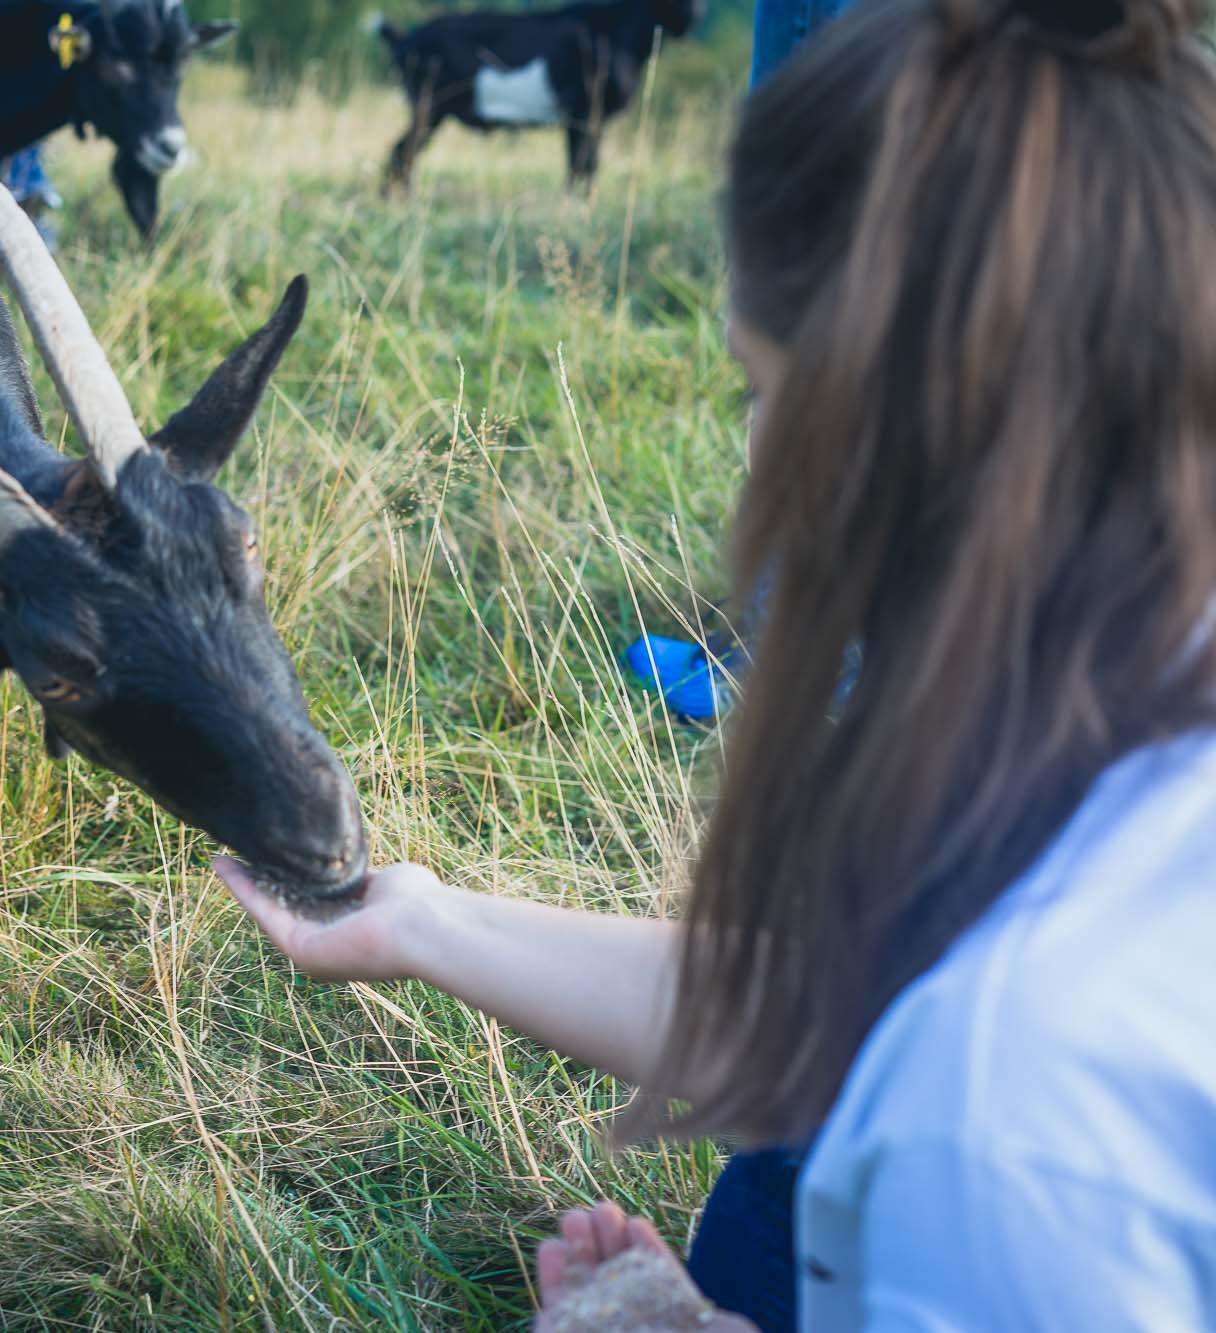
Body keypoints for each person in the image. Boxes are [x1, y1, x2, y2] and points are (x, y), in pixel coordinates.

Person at [219, 0, 1216, 1325]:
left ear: (901, 434)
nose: (746, 463)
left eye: (760, 392)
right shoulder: (1133, 715)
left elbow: (944, 1060)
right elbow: (845, 999)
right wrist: (424, 921)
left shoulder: (988, 1122)